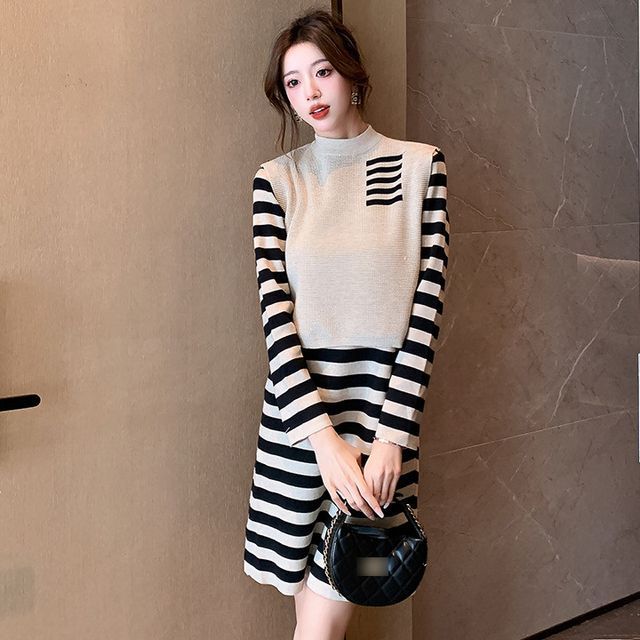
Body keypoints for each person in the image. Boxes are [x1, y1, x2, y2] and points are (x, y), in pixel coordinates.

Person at [243, 8, 450, 640]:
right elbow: (276, 319)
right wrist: (321, 440)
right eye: (293, 82)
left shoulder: (421, 165)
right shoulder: (277, 181)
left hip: (381, 425)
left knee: (336, 599)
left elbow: (426, 312)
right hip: (300, 427)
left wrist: (393, 437)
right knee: (310, 609)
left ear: (352, 74)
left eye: (322, 72)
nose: (309, 92)